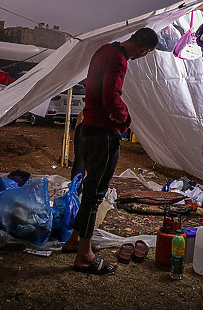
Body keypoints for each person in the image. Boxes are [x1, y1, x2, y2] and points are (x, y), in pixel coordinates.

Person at [63, 27, 159, 275]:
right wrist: (124, 119)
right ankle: (84, 256)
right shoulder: (119, 60)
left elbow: (92, 86)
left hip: (86, 128)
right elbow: (110, 97)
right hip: (102, 134)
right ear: (145, 50)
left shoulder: (105, 50)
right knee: (95, 195)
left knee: (90, 191)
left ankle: (75, 240)